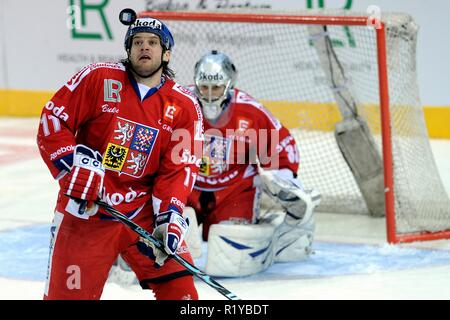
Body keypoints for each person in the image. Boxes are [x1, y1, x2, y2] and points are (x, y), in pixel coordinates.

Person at [36, 11, 204, 300]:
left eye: (153, 42)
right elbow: (53, 121)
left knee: (183, 295)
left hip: (143, 214)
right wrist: (71, 166)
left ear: (166, 54)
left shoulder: (184, 106)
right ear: (128, 50)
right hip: (88, 211)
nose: (144, 47)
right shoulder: (98, 78)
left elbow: (178, 168)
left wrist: (170, 213)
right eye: (137, 42)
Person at [185, 50, 322, 277]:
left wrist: (283, 178)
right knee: (172, 233)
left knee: (228, 255)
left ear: (229, 86)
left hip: (235, 192)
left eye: (216, 88)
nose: (209, 95)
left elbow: (281, 145)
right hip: (187, 186)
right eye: (204, 87)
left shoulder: (251, 112)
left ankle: (280, 236)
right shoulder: (179, 102)